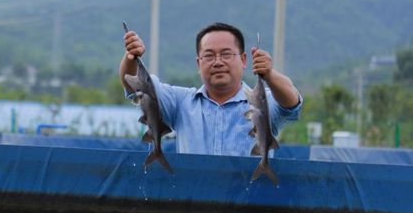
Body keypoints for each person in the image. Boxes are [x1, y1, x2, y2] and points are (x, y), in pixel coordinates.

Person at [119, 22, 302, 156]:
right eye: (209, 55)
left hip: (249, 203)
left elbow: (291, 103)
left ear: (244, 60)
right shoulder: (180, 102)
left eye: (226, 54)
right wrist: (131, 57)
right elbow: (136, 86)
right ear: (199, 63)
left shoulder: (262, 103)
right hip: (195, 204)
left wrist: (269, 74)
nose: (218, 62)